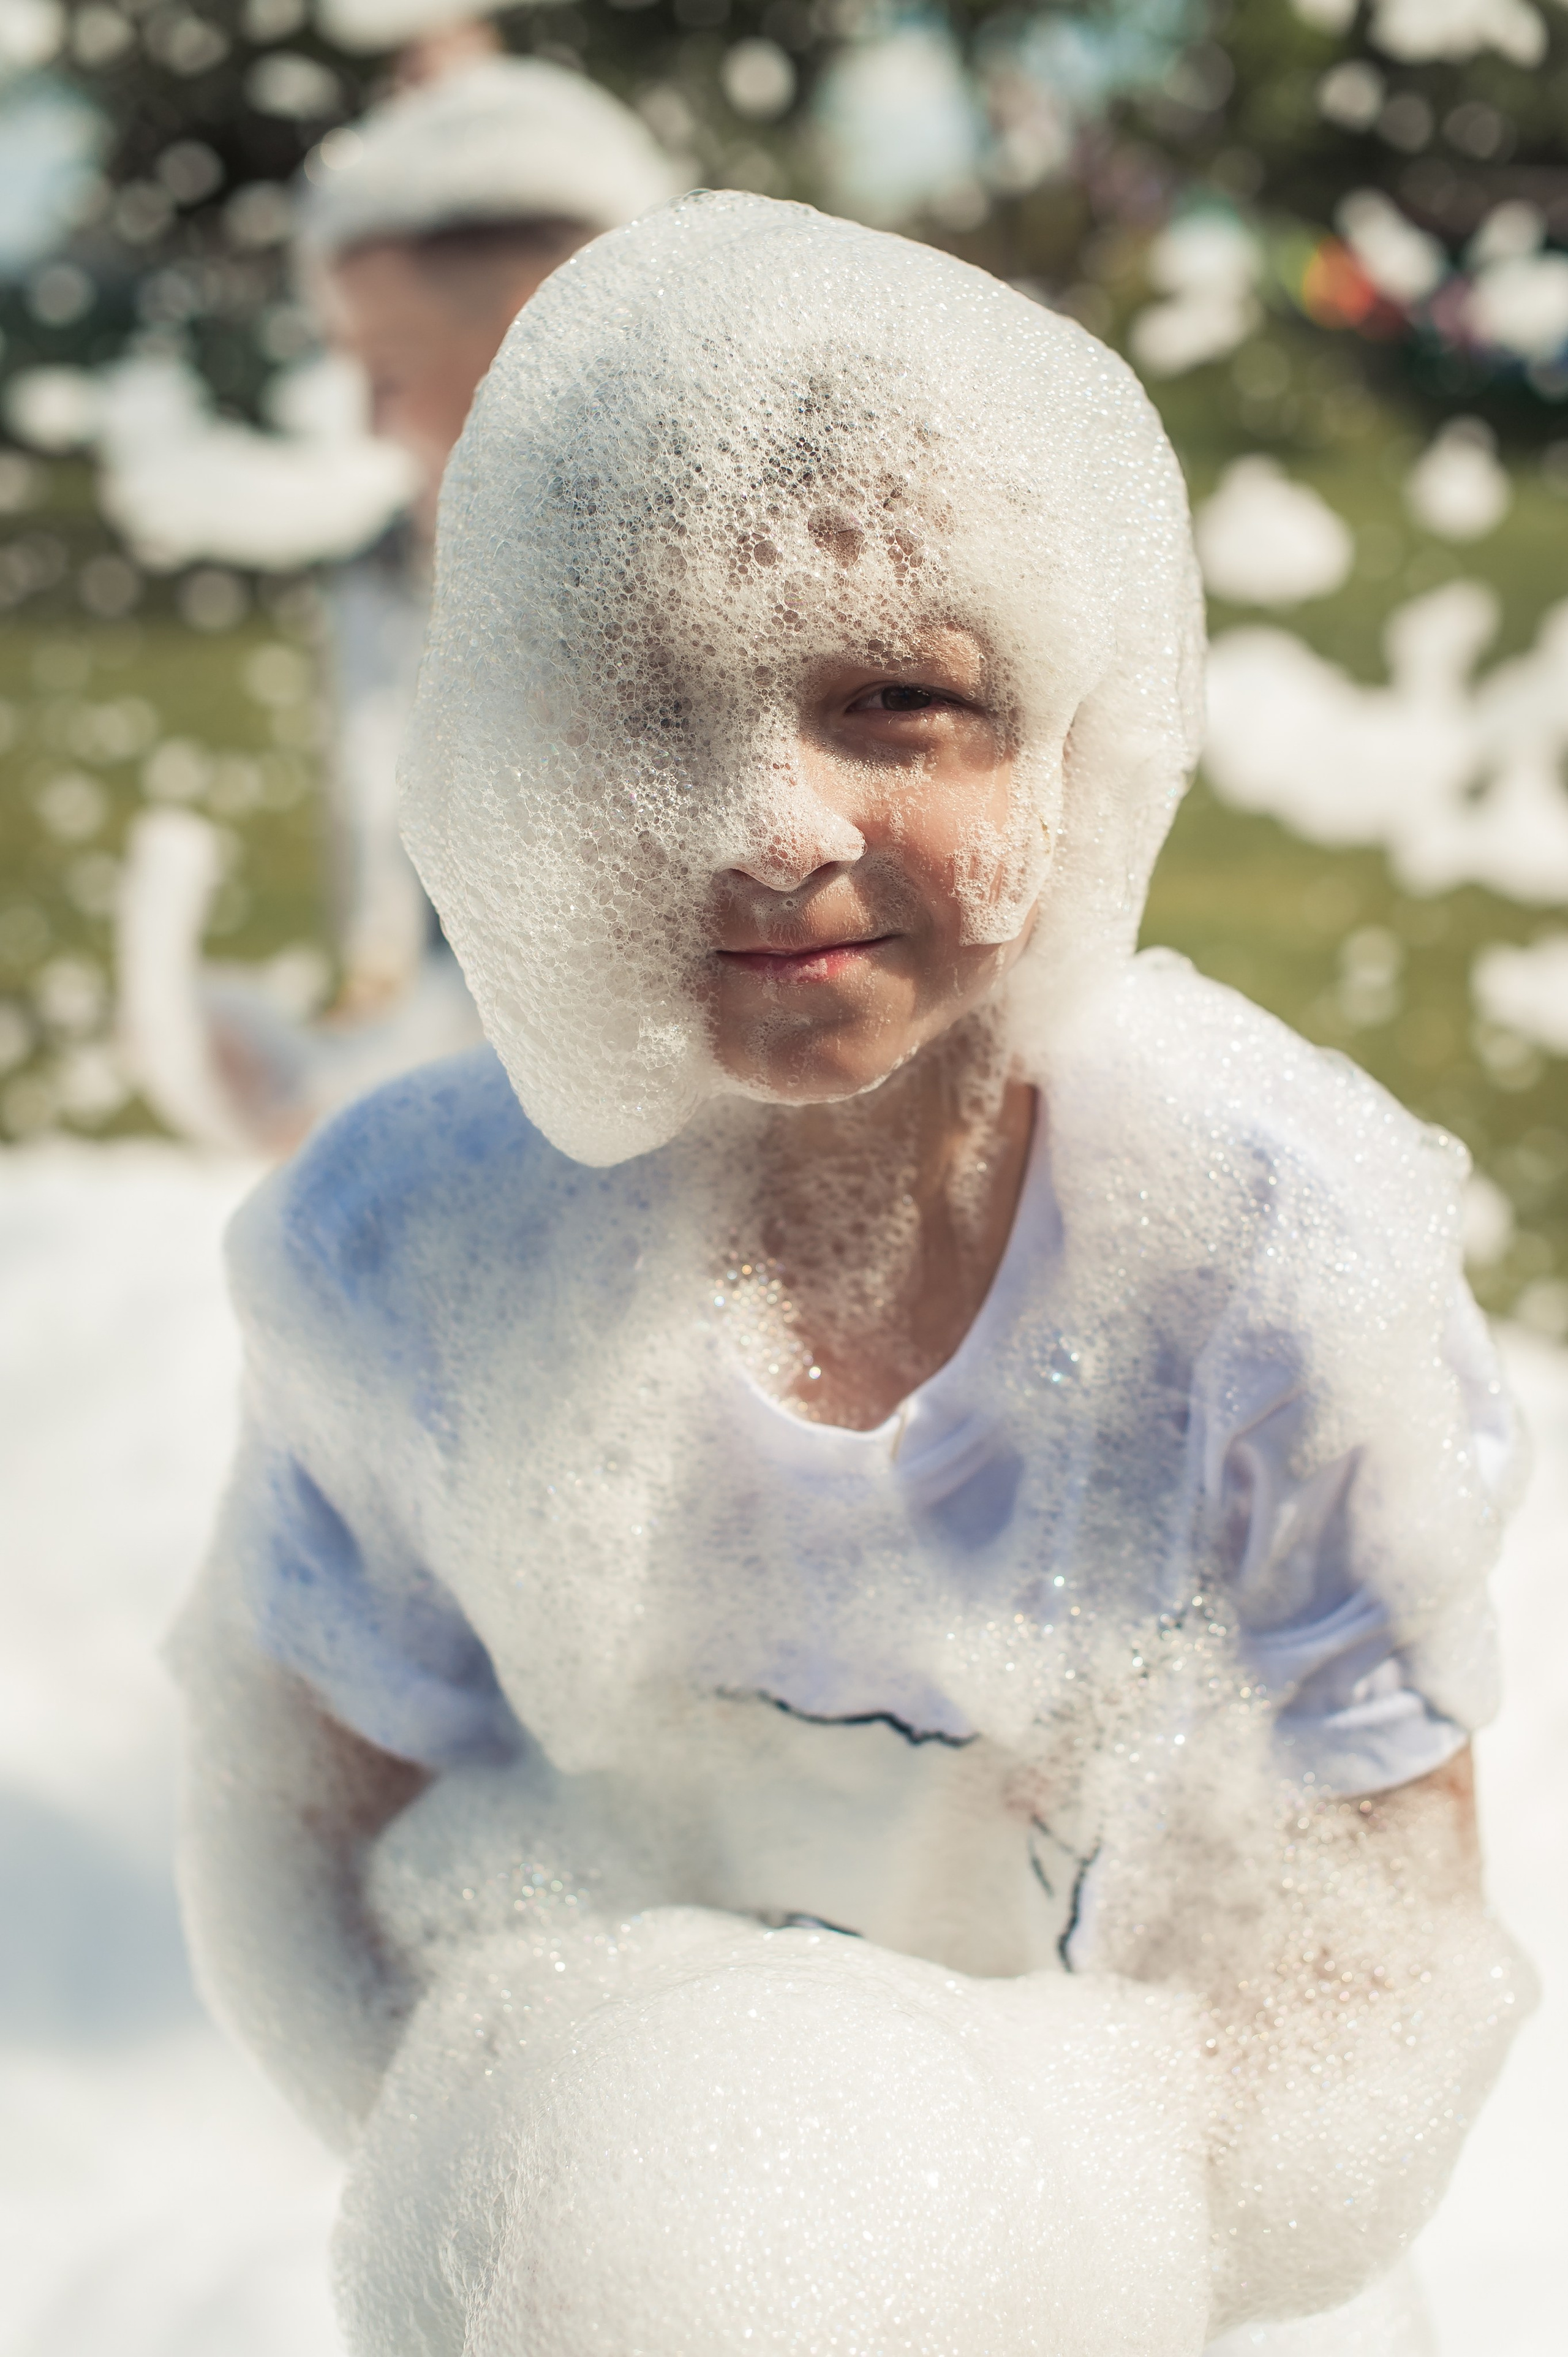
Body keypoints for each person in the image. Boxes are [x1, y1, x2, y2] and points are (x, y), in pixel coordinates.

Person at [170, 195, 1531, 2356]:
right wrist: (570, 2194)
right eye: (653, 707)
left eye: (902, 701)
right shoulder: (416, 1261)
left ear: (1077, 756)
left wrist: (1076, 2224)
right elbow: (316, 1852)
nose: (768, 817)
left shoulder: (1262, 1266)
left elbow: (1379, 1940)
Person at [117, 52, 684, 1152]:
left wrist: (362, 1121)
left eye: (383, 367)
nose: (370, 425)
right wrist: (320, 1073)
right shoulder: (409, 578)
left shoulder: (691, 628)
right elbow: (443, 962)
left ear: (536, 334)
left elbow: (665, 1065)